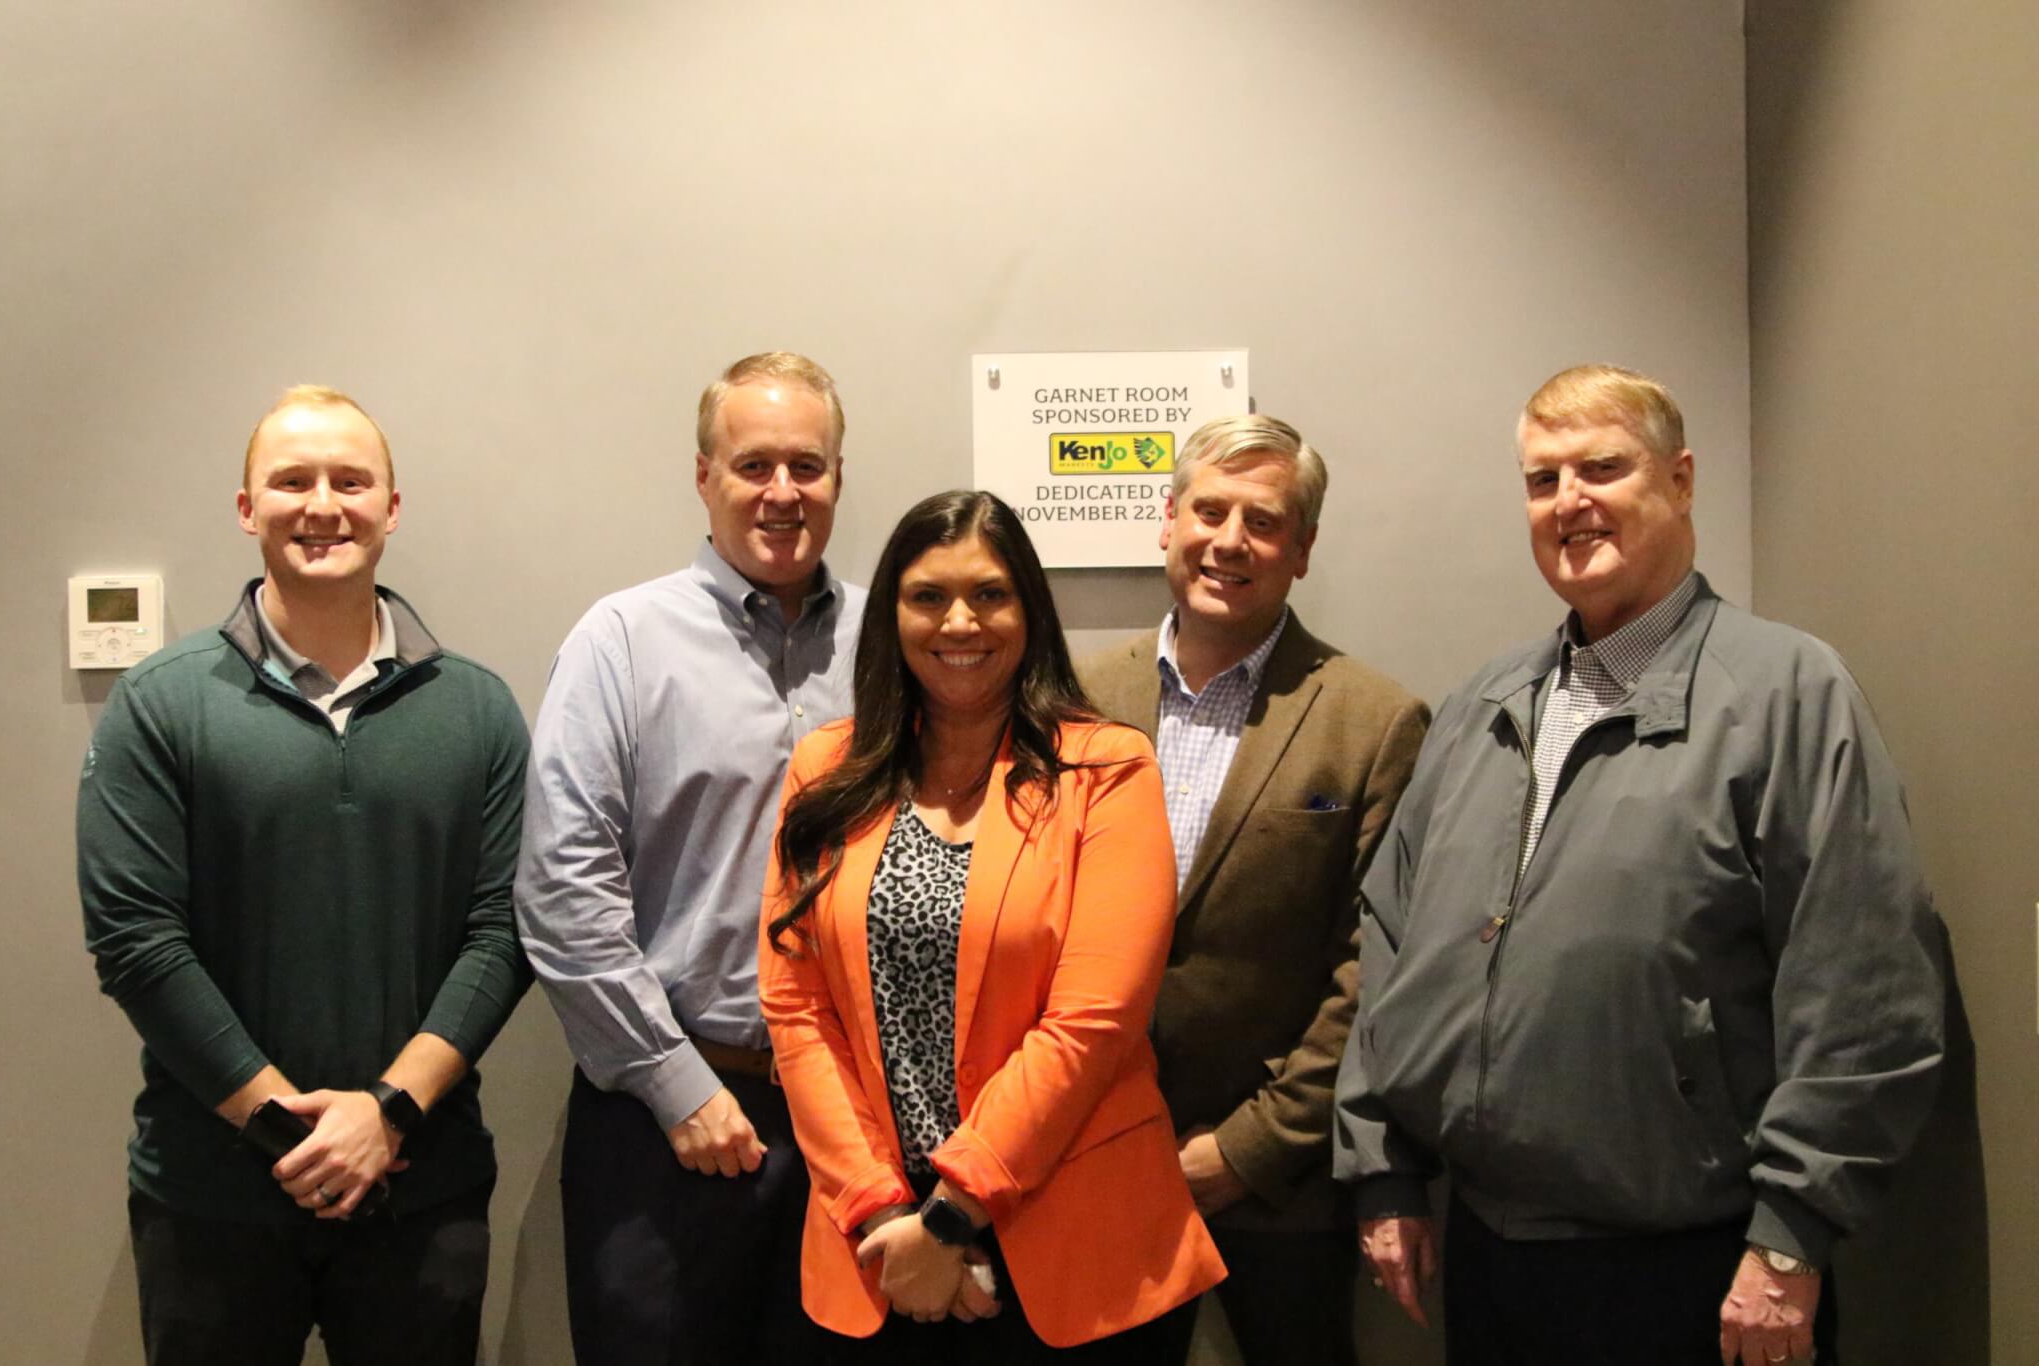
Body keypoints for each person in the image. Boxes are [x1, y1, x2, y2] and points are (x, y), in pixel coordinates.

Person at [1333, 364, 1946, 1366]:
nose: (1568, 502)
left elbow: (1861, 976)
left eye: (1600, 468)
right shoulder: (1482, 706)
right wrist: (1384, 1170)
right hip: (1490, 1260)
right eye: (1541, 480)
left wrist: (1790, 1239)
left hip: (1699, 1270)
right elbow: (1391, 941)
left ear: (1681, 478)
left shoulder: (1784, 692)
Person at [77, 385, 532, 1365]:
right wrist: (288, 1124)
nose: (322, 504)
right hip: (211, 1194)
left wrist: (389, 1112)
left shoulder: (479, 711)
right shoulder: (162, 704)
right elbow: (135, 940)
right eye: (291, 480)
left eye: (350, 480)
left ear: (391, 506)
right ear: (247, 508)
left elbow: (503, 931)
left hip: (424, 1184)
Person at [759, 490, 1225, 1361]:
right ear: (892, 613)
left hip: (1078, 1256)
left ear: (1030, 611)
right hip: (878, 1256)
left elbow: (1094, 1023)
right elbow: (796, 1011)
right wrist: (888, 1216)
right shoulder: (827, 768)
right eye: (928, 596)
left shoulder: (1107, 769)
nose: (960, 621)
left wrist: (950, 1216)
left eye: (991, 594)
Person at [515, 351, 864, 1364]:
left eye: (808, 464)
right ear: (703, 475)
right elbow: (561, 892)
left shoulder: (891, 642)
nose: (782, 491)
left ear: (839, 475)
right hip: (660, 1125)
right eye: (753, 464)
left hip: (846, 1131)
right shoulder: (620, 641)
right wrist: (678, 1086)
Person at [1081, 414, 1429, 1363]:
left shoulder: (1376, 720)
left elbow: (1375, 970)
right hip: (1093, 1163)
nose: (1230, 540)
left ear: (1303, 550)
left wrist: (1249, 1149)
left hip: (1280, 1185)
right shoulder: (1072, 697)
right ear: (1167, 519)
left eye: (1265, 522)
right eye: (1210, 509)